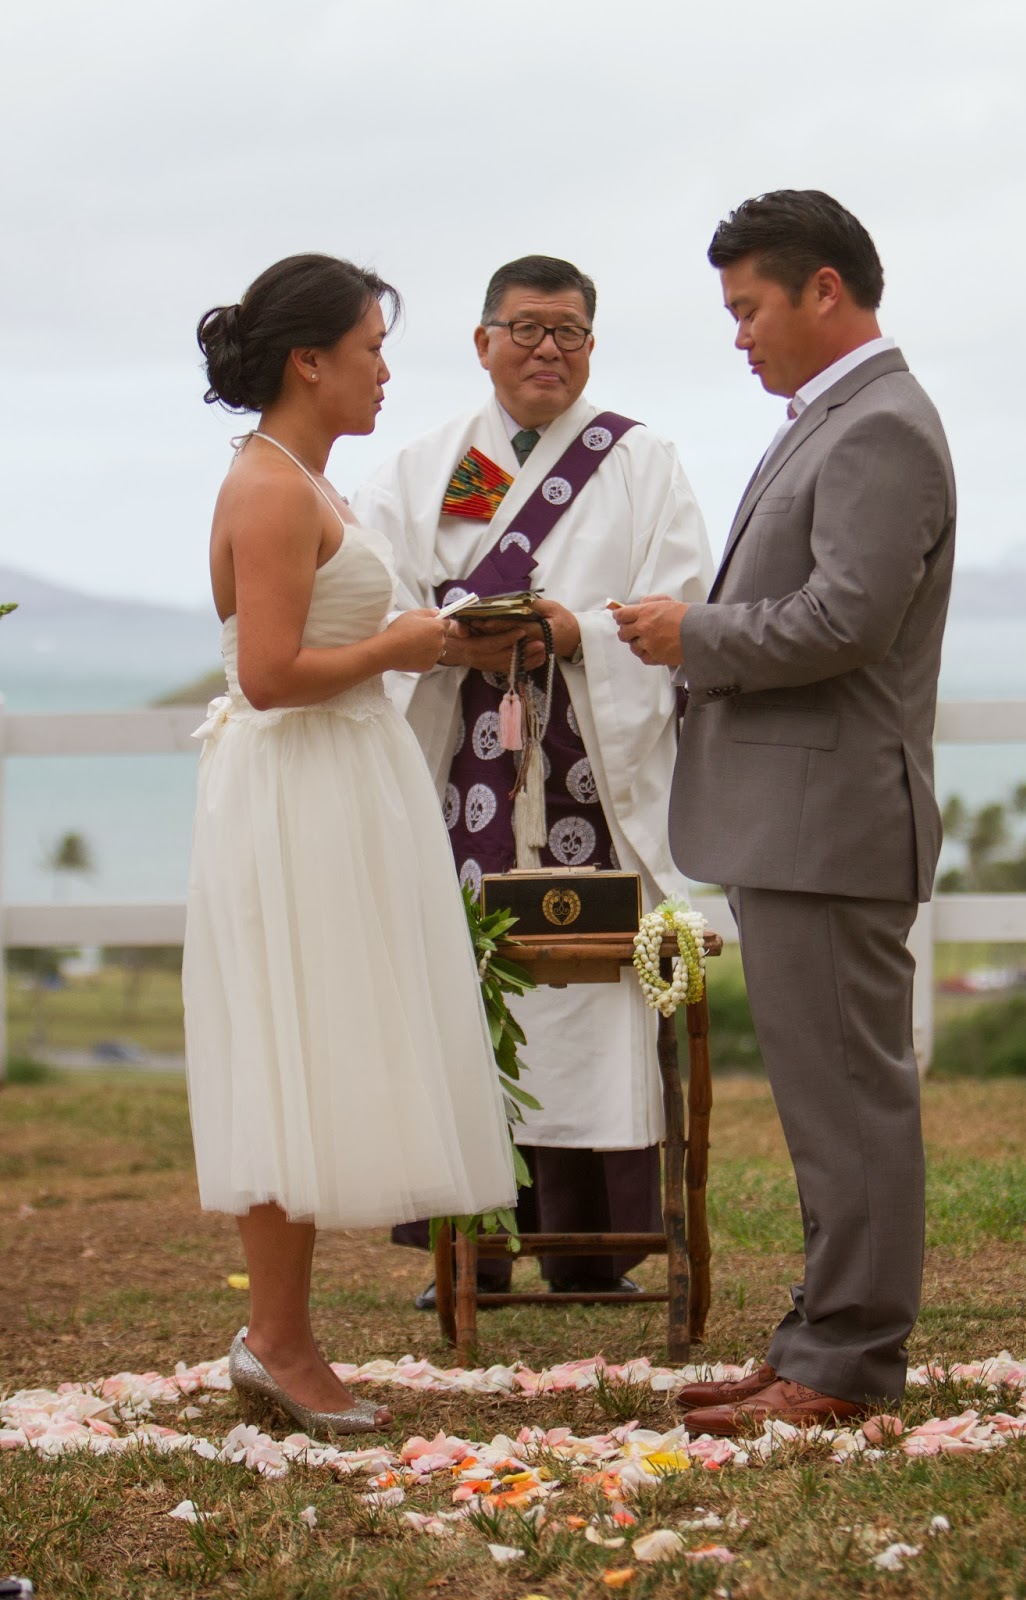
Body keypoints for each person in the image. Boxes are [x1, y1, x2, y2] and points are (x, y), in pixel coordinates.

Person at [617, 191, 956, 1432]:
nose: (739, 334)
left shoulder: (881, 427)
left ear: (824, 289)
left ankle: (846, 1359)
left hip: (831, 823)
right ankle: (819, 1336)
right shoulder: (838, 418)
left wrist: (690, 634)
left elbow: (842, 621)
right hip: (802, 821)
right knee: (827, 1103)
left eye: (748, 306)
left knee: (851, 1099)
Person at [184, 254, 516, 1434]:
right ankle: (277, 1339)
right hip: (296, 789)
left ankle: (281, 1333)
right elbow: (270, 675)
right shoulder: (270, 487)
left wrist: (428, 639)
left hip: (336, 778)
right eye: (371, 349)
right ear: (307, 360)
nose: (384, 371)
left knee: (320, 1047)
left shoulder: (307, 479)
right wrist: (397, 648)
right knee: (294, 1048)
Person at [353, 255, 715, 1306]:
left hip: (589, 771)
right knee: (464, 992)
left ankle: (590, 1249)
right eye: (525, 329)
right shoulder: (422, 468)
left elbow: (679, 602)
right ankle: (471, 1249)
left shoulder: (642, 461)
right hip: (458, 769)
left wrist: (576, 631)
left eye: (569, 331)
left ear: (591, 344)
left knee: (589, 998)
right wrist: (442, 639)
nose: (547, 349)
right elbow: (373, 601)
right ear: (483, 342)